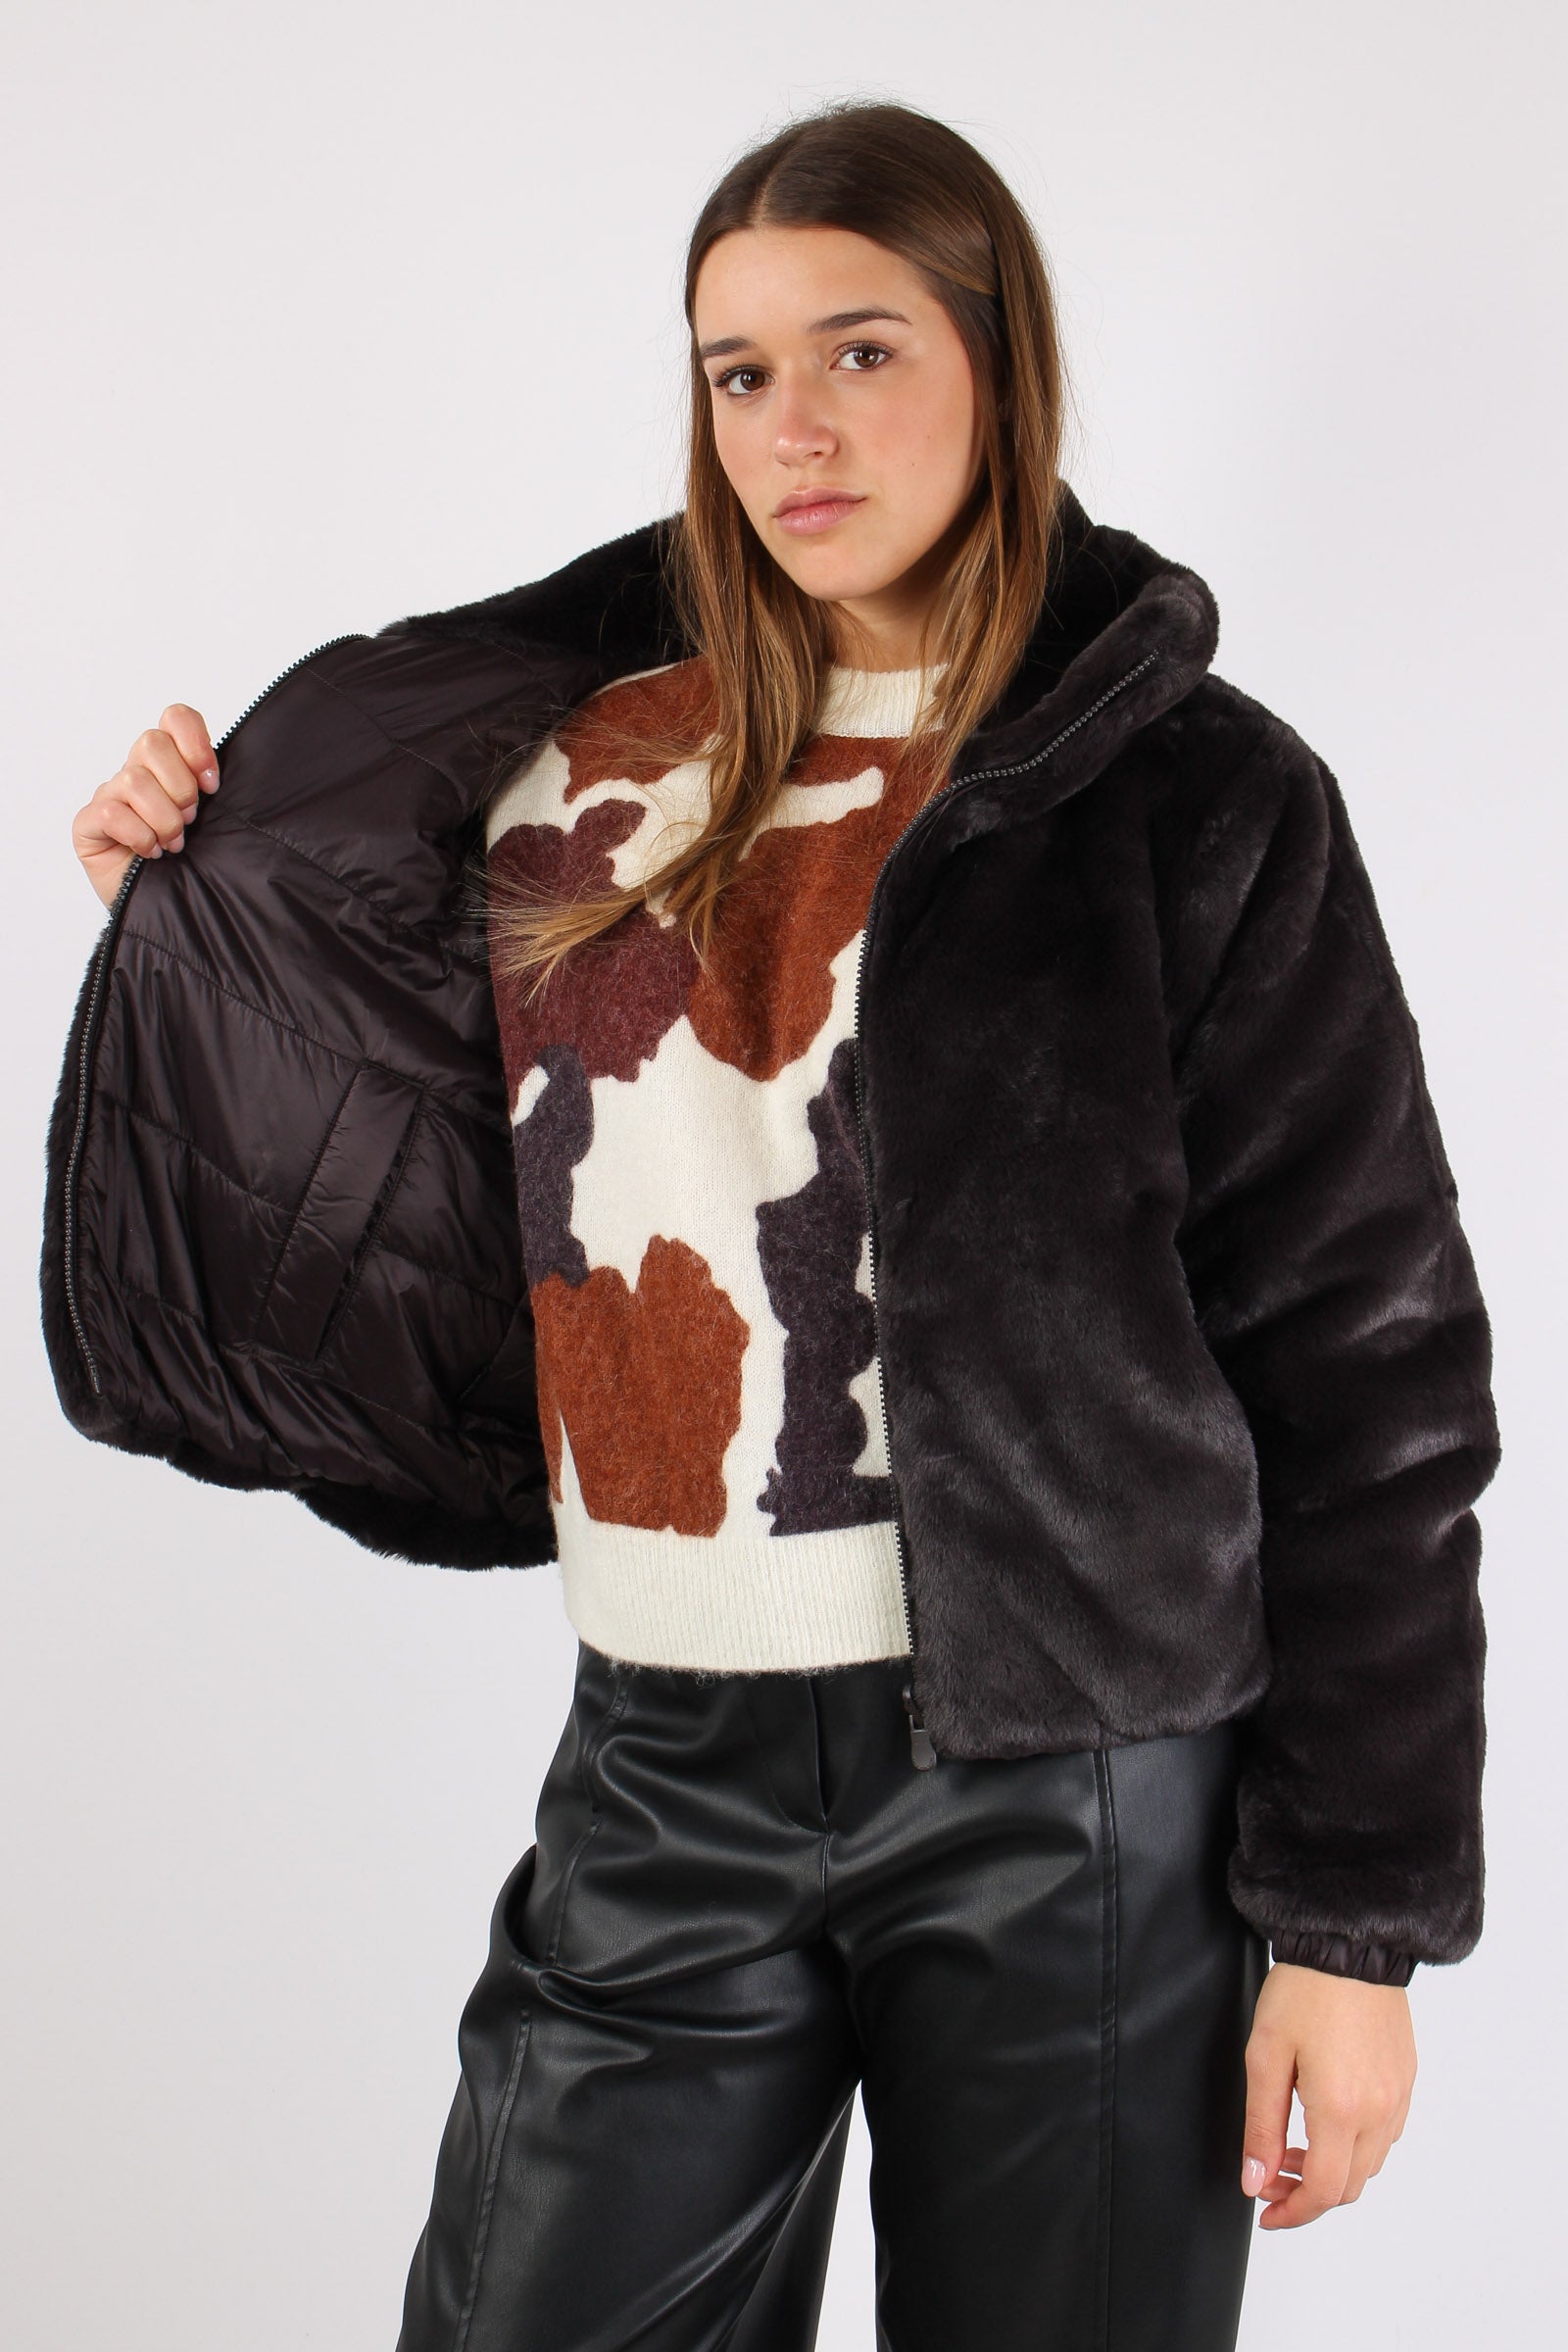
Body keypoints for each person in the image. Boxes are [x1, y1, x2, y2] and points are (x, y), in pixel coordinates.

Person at [50, 98, 1499, 2352]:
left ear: (999, 364)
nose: (791, 429)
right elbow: (370, 1116)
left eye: (859, 352)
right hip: (660, 1766)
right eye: (737, 372)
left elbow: (1367, 1374)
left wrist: (1349, 1926)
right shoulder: (572, 760)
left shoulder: (1191, 796)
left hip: (1075, 1792)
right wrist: (202, 883)